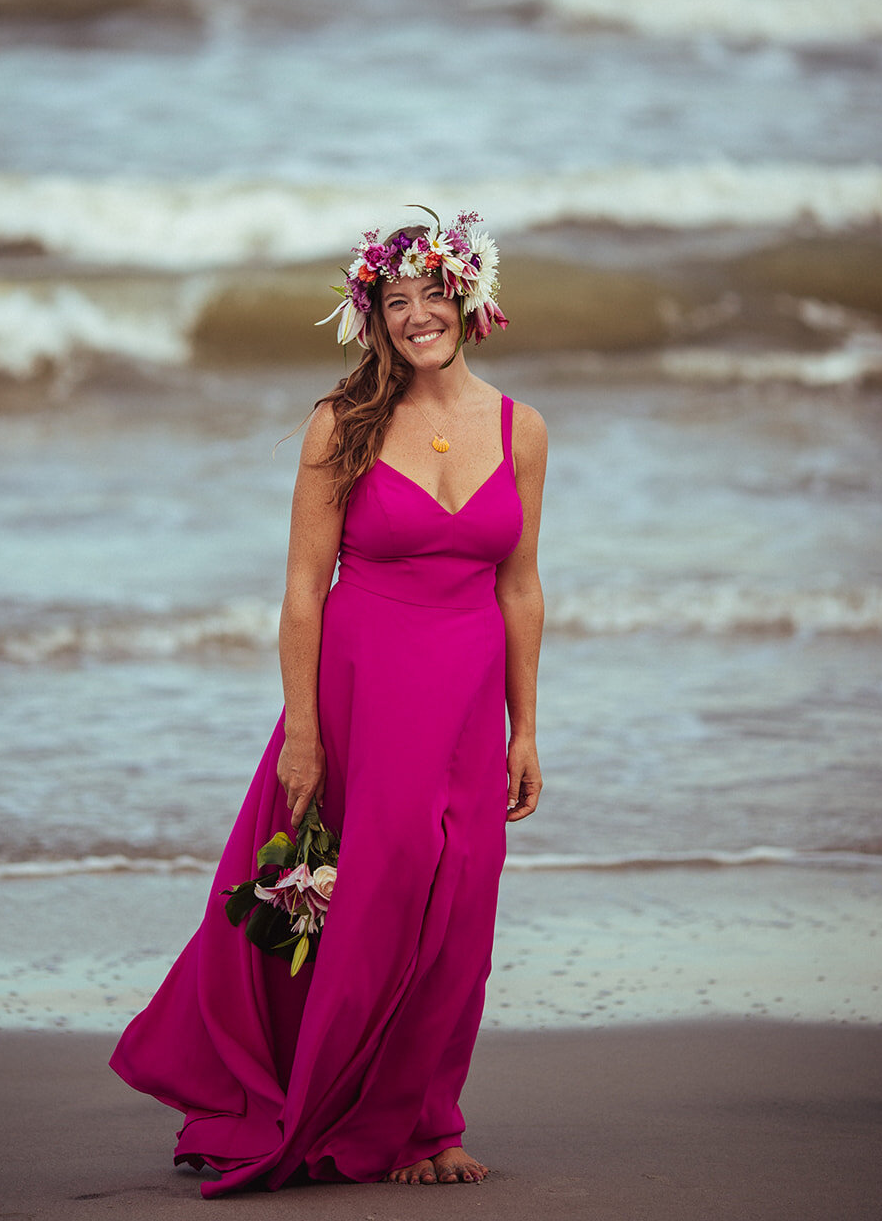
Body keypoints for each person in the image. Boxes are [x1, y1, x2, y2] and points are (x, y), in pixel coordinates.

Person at [110, 207, 547, 1194]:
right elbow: (304, 587)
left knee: (460, 906)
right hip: (362, 694)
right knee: (369, 902)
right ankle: (365, 1119)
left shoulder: (522, 430)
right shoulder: (340, 424)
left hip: (470, 704)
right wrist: (300, 733)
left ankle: (429, 1120)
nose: (416, 315)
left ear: (466, 297)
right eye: (395, 301)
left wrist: (527, 726)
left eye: (432, 293)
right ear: (375, 316)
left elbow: (519, 585)